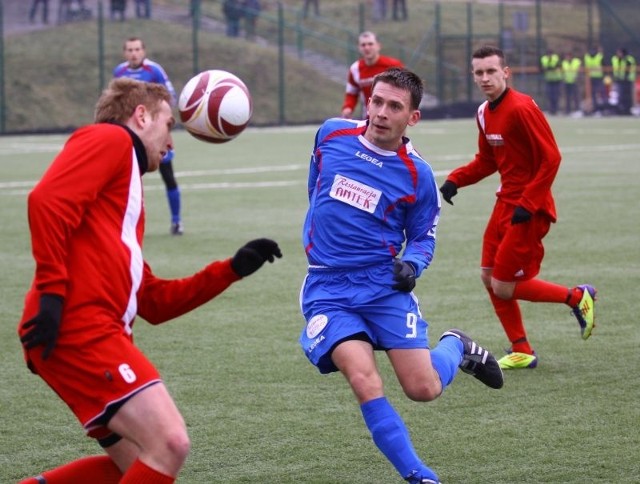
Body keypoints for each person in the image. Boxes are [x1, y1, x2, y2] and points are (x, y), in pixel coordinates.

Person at [17, 77, 282, 483]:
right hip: (78, 326)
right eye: (169, 124)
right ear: (140, 116)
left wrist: (230, 269)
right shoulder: (113, 139)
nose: (172, 142)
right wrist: (53, 294)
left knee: (137, 459)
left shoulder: (122, 195)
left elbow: (152, 301)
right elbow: (46, 201)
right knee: (170, 443)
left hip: (80, 330)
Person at [299, 67, 504, 483]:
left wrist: (412, 266)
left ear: (412, 117)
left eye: (394, 106)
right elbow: (315, 189)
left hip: (383, 288)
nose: (380, 112)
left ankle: (455, 346)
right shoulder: (331, 135)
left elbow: (424, 237)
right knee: (363, 379)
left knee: (422, 389)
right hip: (328, 289)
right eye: (376, 101)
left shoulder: (418, 175)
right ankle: (418, 475)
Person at [439, 45, 597, 371]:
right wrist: (456, 179)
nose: (485, 78)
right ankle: (521, 348)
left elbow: (551, 158)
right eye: (479, 72)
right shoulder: (483, 112)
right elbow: (487, 160)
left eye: (491, 71)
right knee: (487, 276)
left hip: (529, 208)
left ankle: (577, 297)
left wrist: (529, 202)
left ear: (505, 73)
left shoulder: (522, 108)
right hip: (504, 204)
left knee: (503, 285)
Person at [113, 37, 183, 235]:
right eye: (130, 50)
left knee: (168, 176)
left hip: (155, 133)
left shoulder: (154, 71)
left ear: (143, 51)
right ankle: (125, 225)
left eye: (137, 49)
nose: (134, 53)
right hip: (130, 136)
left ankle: (177, 221)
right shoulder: (119, 72)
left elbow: (171, 96)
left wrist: (162, 126)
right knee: (127, 180)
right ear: (125, 53)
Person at [341, 31, 404, 119]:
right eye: (363, 45)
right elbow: (351, 93)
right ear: (359, 48)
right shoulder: (355, 69)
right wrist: (348, 107)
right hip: (369, 116)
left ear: (378, 46)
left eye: (370, 44)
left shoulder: (394, 65)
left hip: (391, 116)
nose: (367, 48)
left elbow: (406, 89)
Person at [611, 47, 636, 115]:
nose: (618, 54)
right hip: (619, 81)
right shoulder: (615, 59)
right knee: (620, 96)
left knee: (627, 96)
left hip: (627, 81)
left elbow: (630, 69)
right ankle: (620, 110)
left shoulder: (629, 59)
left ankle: (627, 110)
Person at [539, 48, 562, 115]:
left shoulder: (556, 58)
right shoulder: (544, 59)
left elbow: (557, 66)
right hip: (549, 80)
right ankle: (551, 110)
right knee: (549, 95)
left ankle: (555, 110)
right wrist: (549, 68)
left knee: (556, 95)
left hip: (556, 79)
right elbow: (541, 68)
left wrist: (549, 68)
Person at [584, 45, 605, 114]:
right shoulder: (587, 57)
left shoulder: (599, 57)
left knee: (600, 93)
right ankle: (594, 109)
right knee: (592, 95)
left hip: (599, 78)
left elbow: (604, 66)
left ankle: (602, 109)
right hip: (590, 79)